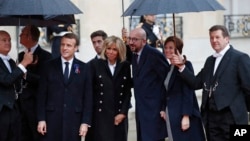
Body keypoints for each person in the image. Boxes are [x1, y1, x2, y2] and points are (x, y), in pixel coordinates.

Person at [170, 25, 250, 141]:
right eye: (211, 38)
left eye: (217, 37)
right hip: (211, 119)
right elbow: (196, 83)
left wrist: (242, 110)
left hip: (234, 118)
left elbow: (248, 88)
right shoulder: (209, 61)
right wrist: (181, 66)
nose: (214, 40)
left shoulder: (240, 58)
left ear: (227, 38)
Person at [36, 33, 92, 141]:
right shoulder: (48, 66)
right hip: (51, 119)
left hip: (74, 120)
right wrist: (41, 119)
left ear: (76, 48)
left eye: (69, 45)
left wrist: (85, 122)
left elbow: (88, 97)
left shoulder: (84, 68)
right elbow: (41, 95)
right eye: (62, 45)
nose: (64, 48)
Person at [86, 35, 132, 141]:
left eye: (114, 49)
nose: (110, 52)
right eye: (108, 48)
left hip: (119, 116)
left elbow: (127, 92)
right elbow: (90, 92)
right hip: (100, 116)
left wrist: (123, 113)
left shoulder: (125, 66)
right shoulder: (95, 65)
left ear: (120, 51)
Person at [160, 36, 206, 141]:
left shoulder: (186, 65)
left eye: (171, 48)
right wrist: (163, 109)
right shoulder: (169, 68)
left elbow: (188, 91)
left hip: (183, 115)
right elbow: (166, 91)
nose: (167, 50)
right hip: (171, 114)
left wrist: (186, 116)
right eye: (166, 47)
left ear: (178, 50)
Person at [128, 28, 169, 141]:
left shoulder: (154, 55)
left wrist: (163, 107)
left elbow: (167, 81)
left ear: (144, 41)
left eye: (135, 39)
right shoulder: (134, 55)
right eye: (130, 39)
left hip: (155, 112)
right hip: (141, 112)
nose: (131, 42)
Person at [18, 25, 52, 141]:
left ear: (29, 37)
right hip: (21, 105)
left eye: (22, 33)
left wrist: (25, 73)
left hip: (35, 105)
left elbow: (44, 80)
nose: (19, 35)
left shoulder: (46, 56)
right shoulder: (20, 55)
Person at [0, 30, 33, 141]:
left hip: (14, 108)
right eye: (4, 40)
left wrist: (22, 72)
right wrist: (23, 64)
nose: (8, 43)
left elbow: (17, 85)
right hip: (2, 110)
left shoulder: (11, 62)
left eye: (9, 40)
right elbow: (6, 80)